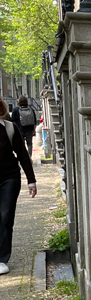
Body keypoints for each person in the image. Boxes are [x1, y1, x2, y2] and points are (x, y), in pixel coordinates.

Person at [0, 98, 38, 275]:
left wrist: (31, 180)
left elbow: (23, 155)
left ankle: (2, 258)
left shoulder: (9, 128)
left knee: (6, 217)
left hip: (9, 178)